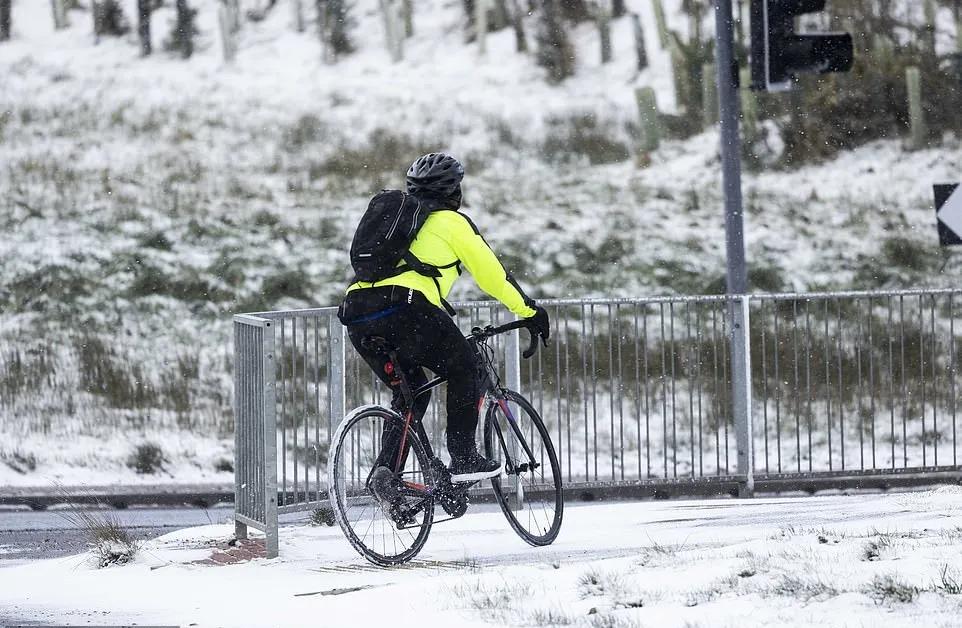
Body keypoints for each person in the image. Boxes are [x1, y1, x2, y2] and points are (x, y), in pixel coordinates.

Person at [338, 152, 550, 485]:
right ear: (455, 192)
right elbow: (493, 277)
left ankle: (386, 475)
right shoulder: (453, 223)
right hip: (408, 309)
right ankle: (464, 457)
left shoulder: (399, 224)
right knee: (466, 367)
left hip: (358, 313)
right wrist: (530, 311)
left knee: (413, 392)